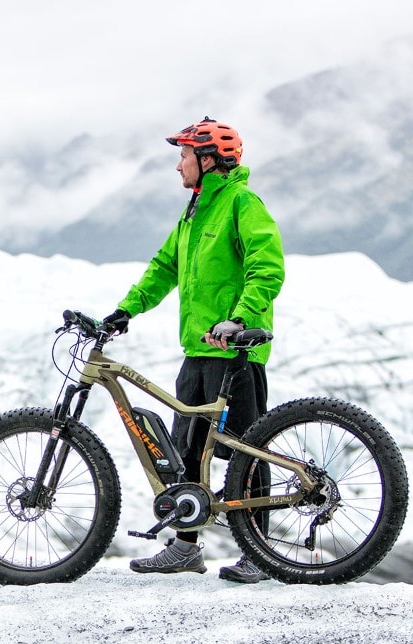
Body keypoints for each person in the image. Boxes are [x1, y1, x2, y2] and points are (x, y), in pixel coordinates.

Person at [103, 116, 285, 583]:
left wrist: (240, 319)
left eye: (184, 155)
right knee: (189, 449)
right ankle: (186, 546)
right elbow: (165, 267)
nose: (178, 165)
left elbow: (267, 268)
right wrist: (126, 310)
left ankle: (260, 553)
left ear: (208, 160)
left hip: (237, 351)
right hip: (199, 349)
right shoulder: (194, 211)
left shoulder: (242, 203)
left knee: (247, 451)